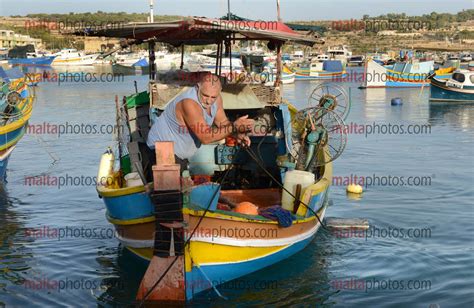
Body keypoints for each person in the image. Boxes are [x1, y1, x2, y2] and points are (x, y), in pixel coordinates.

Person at [146, 72, 255, 171]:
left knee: (181, 187)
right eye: (205, 95)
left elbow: (222, 123)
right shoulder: (189, 103)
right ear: (198, 87)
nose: (208, 101)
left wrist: (237, 134)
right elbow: (205, 137)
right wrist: (234, 126)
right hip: (161, 150)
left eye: (213, 97)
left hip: (179, 154)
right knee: (170, 189)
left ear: (219, 92)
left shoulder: (217, 99)